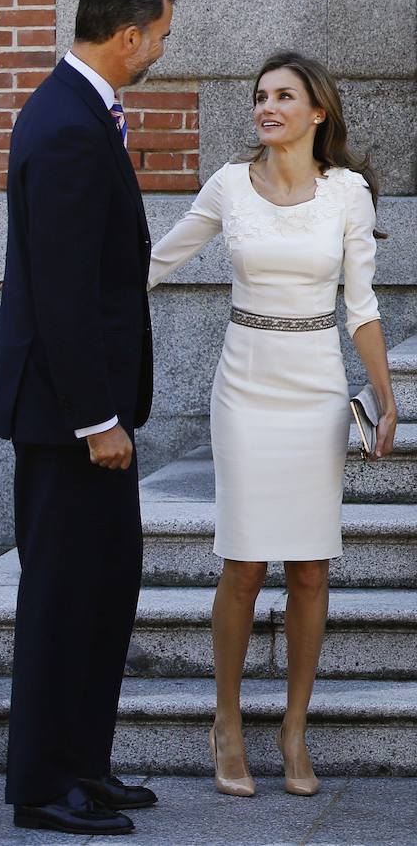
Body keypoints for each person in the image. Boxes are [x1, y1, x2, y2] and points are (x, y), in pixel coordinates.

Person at [148, 52, 397, 798]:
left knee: (312, 568)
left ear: (317, 111)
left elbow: (361, 306)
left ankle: (293, 728)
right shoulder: (230, 184)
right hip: (247, 389)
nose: (267, 106)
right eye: (261, 95)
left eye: (284, 95)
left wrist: (385, 398)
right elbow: (156, 260)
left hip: (316, 387)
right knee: (245, 563)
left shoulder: (348, 192)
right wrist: (74, 293)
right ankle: (226, 722)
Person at [0, 0, 175, 836]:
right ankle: (40, 787)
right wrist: (98, 420)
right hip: (67, 418)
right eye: (162, 37)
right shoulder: (63, 123)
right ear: (127, 35)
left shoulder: (78, 109)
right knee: (62, 597)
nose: (163, 52)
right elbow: (60, 290)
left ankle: (84, 763)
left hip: (90, 411)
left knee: (105, 588)